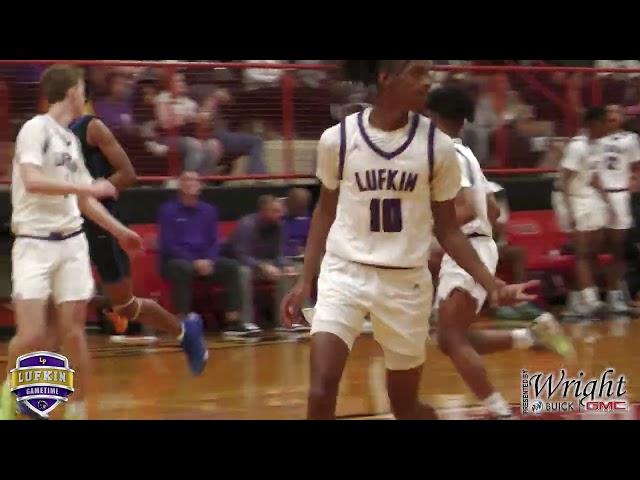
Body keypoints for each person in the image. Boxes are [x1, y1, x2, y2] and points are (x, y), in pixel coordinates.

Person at [280, 60, 537, 420]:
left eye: (428, 72)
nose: (427, 81)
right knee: (321, 388)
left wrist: (491, 283)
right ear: (385, 77)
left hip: (405, 283)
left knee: (405, 407)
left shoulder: (438, 148)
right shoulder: (338, 139)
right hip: (345, 273)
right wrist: (306, 278)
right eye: (417, 72)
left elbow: (448, 230)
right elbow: (324, 212)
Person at [0, 65, 195, 421]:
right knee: (31, 335)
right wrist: (86, 187)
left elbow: (85, 201)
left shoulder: (72, 141)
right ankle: (10, 397)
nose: (85, 95)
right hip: (33, 242)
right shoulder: (35, 129)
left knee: (74, 333)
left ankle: (77, 410)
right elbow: (32, 181)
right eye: (81, 89)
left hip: (71, 242)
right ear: (72, 92)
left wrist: (120, 230)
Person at [427, 86, 574, 419]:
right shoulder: (465, 154)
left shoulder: (445, 154)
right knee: (451, 338)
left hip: (467, 247)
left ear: (431, 117)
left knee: (450, 337)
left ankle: (498, 410)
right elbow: (491, 209)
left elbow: (465, 210)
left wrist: (429, 231)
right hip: (473, 245)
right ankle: (529, 336)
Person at [158, 171, 260, 337]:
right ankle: (182, 323)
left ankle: (232, 322)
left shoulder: (209, 210)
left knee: (233, 267)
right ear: (180, 186)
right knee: (182, 268)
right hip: (175, 261)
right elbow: (169, 245)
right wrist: (194, 261)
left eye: (196, 180)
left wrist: (209, 260)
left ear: (200, 186)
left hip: (206, 261)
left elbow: (214, 241)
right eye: (187, 180)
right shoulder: (168, 211)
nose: (192, 184)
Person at [558, 107, 611, 317]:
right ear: (592, 123)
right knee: (582, 252)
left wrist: (606, 199)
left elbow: (593, 174)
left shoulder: (598, 146)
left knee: (594, 250)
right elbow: (564, 181)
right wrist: (569, 212)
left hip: (590, 197)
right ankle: (591, 301)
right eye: (604, 121)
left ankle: (575, 300)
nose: (608, 125)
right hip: (572, 198)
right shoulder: (577, 147)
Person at [226, 195, 300, 329]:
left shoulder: (279, 226)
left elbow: (279, 253)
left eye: (281, 210)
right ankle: (246, 322)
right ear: (264, 211)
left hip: (267, 265)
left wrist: (285, 265)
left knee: (293, 270)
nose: (281, 214)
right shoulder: (246, 224)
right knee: (243, 273)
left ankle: (285, 321)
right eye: (276, 211)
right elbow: (240, 255)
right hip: (244, 265)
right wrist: (262, 265)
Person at [593, 104, 640, 313]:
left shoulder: (631, 139)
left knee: (618, 250)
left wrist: (633, 184)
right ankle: (591, 296)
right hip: (596, 196)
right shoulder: (592, 138)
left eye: (616, 112)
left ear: (622, 117)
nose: (612, 115)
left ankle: (616, 296)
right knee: (592, 248)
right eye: (608, 112)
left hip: (620, 194)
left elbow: (636, 166)